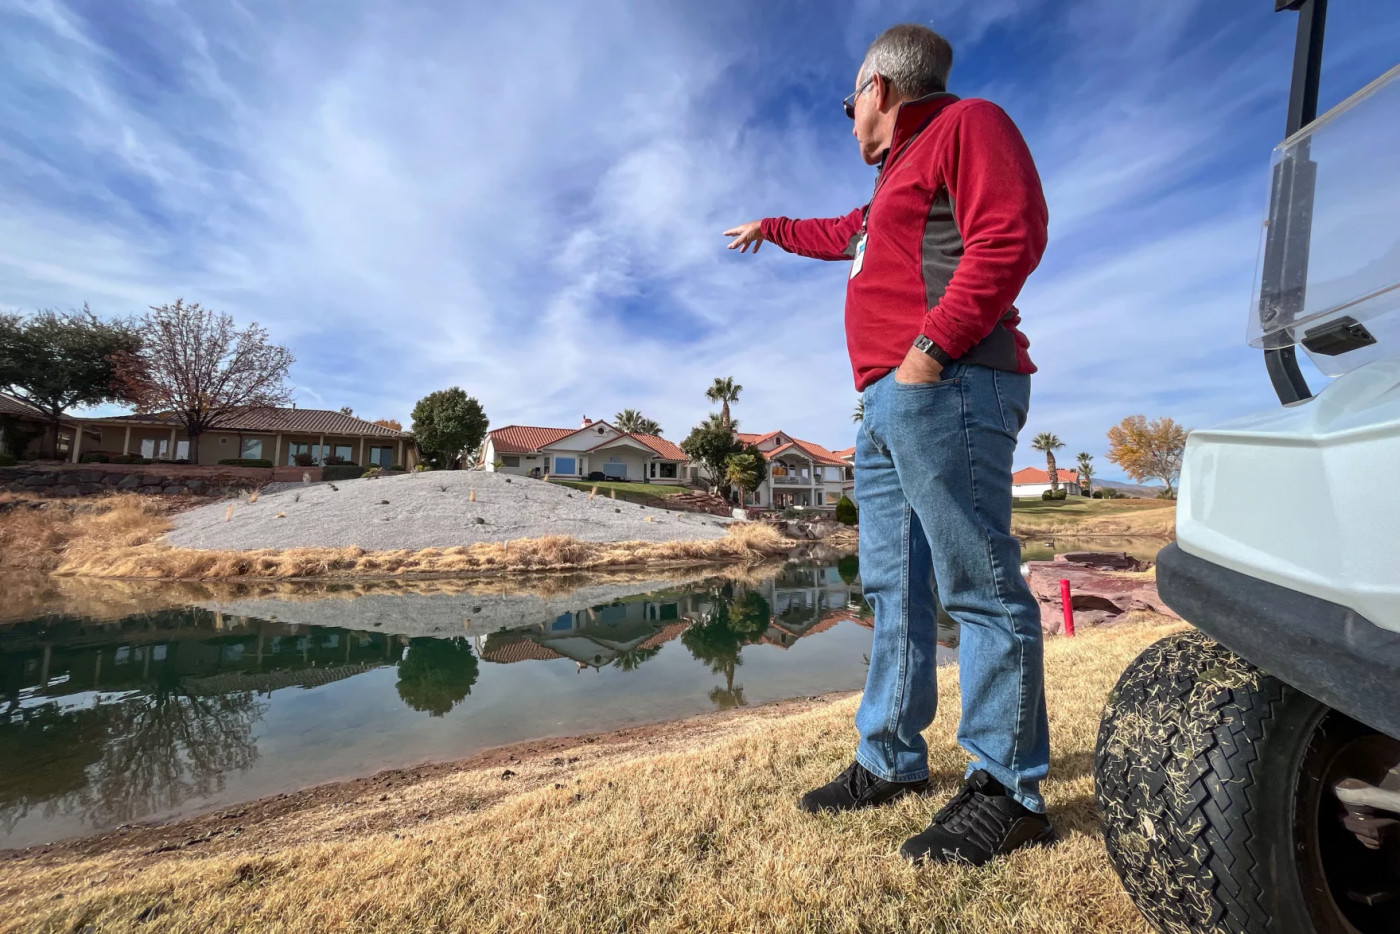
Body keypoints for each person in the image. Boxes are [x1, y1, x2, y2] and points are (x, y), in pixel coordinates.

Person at [723, 23, 1052, 866]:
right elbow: (840, 233)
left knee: (978, 586)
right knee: (892, 588)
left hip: (950, 383)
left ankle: (1007, 789)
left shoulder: (968, 124)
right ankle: (892, 761)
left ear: (877, 89)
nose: (846, 118)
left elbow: (1011, 235)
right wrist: (772, 224)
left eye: (846, 103)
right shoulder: (889, 186)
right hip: (885, 406)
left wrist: (928, 353)